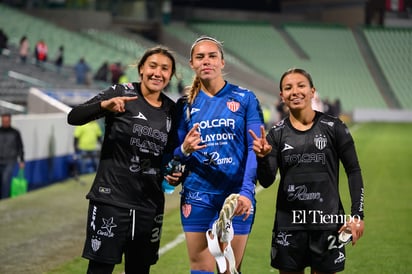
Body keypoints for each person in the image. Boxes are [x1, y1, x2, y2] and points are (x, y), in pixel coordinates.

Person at [67, 46, 179, 274]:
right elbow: (74, 117)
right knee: (100, 269)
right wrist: (104, 106)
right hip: (111, 200)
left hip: (149, 205)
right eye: (153, 66)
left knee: (139, 270)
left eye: (165, 69)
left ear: (171, 75)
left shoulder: (172, 110)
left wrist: (175, 173)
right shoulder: (121, 91)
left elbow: (170, 155)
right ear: (141, 70)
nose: (158, 73)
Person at [248, 68, 365, 274]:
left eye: (301, 85)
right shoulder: (276, 134)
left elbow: (353, 171)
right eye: (288, 87)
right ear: (282, 96)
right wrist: (262, 158)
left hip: (328, 225)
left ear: (312, 91)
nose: (295, 91)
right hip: (289, 227)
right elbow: (266, 181)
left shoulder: (334, 127)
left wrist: (357, 214)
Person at [171, 36, 264, 274]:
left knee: (229, 270)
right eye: (200, 57)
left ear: (222, 62)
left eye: (212, 56)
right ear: (191, 63)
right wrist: (183, 152)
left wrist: (245, 192)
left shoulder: (245, 98)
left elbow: (255, 149)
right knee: (201, 269)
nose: (206, 61)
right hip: (197, 196)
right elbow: (174, 156)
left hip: (236, 198)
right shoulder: (184, 105)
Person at [0, 113, 25, 199]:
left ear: (10, 121)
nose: (5, 122)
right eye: (3, 121)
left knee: (5, 180)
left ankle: (4, 199)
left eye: (6, 121)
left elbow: (20, 147)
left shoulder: (15, 133)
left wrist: (21, 160)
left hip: (10, 160)